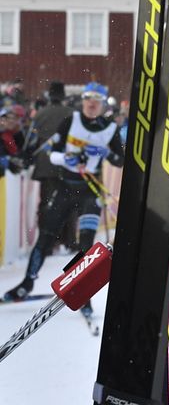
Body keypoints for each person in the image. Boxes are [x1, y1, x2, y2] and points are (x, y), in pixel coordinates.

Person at [3, 82, 124, 316]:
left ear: (101, 104)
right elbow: (53, 152)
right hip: (66, 186)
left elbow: (120, 159)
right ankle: (27, 284)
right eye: (88, 99)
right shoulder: (72, 120)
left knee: (87, 245)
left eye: (96, 100)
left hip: (90, 191)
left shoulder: (109, 128)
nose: (91, 104)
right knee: (46, 237)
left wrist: (105, 152)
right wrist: (66, 159)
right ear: (83, 100)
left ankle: (84, 295)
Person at [21, 81, 76, 248]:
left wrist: (26, 157)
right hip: (67, 164)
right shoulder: (73, 113)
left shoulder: (40, 114)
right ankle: (70, 240)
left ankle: (47, 242)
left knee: (46, 204)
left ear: (49, 96)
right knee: (69, 203)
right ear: (63, 95)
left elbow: (30, 142)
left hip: (46, 164)